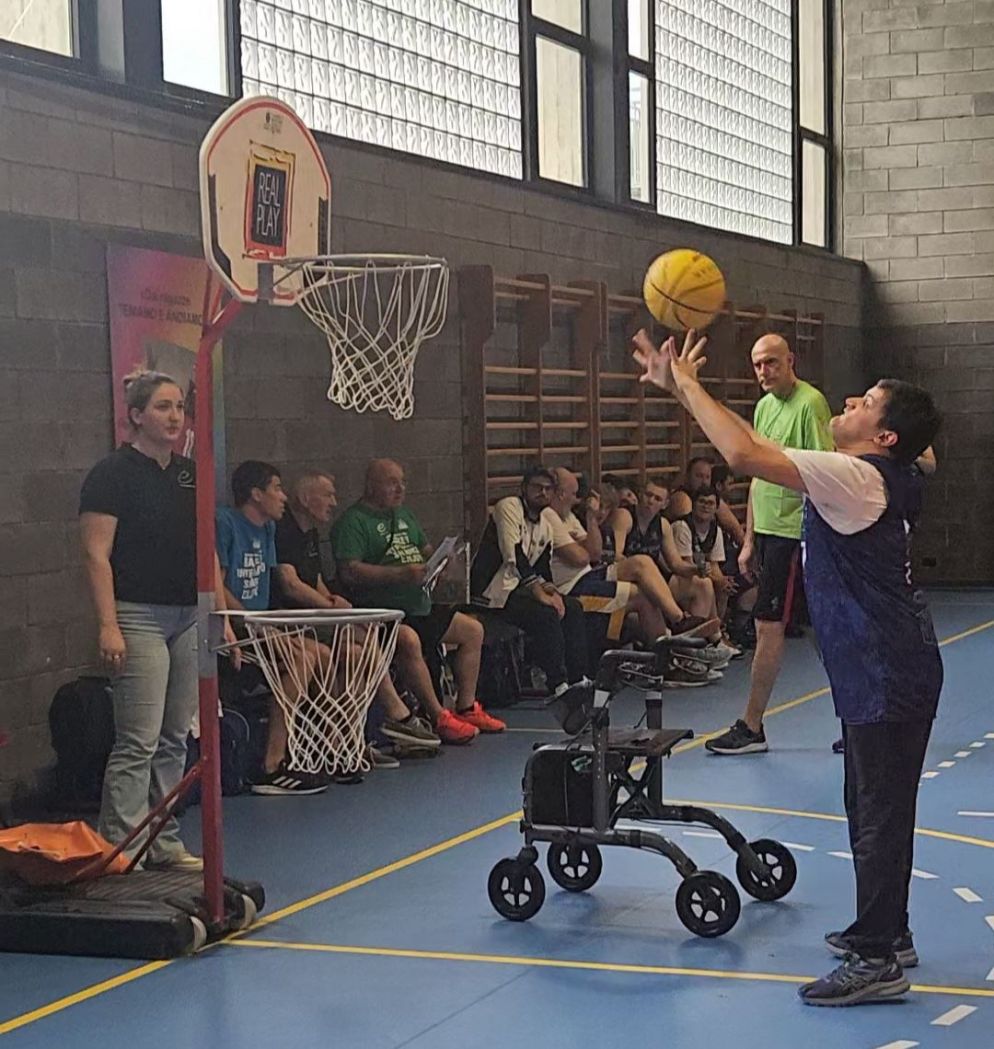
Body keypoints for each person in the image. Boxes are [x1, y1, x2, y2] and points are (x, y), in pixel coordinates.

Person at [634, 327, 942, 1007]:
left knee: (879, 813)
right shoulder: (870, 470)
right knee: (869, 804)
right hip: (884, 662)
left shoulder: (856, 476)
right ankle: (890, 932)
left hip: (887, 667)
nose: (853, 399)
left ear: (884, 437)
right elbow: (759, 441)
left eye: (868, 402)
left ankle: (877, 957)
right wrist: (689, 393)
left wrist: (683, 381)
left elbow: (741, 452)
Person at [80, 371, 237, 869]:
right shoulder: (111, 475)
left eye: (179, 408)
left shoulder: (190, 474)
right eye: (164, 407)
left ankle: (162, 838)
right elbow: (96, 554)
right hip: (139, 617)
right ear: (135, 416)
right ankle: (121, 844)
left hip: (190, 615)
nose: (175, 417)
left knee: (174, 738)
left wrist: (220, 615)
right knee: (139, 738)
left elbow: (204, 546)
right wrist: (109, 625)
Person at [705, 334, 834, 755]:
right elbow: (760, 474)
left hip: (796, 533)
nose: (763, 371)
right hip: (770, 534)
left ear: (790, 361)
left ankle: (751, 725)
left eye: (772, 363)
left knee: (770, 625)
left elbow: (821, 470)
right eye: (758, 364)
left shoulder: (810, 403)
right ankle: (863, 715)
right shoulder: (763, 407)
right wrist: (747, 540)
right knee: (820, 630)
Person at [273, 471, 441, 762]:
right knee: (358, 638)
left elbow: (313, 580)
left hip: (313, 617)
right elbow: (291, 584)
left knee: (355, 655)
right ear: (304, 498)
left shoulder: (309, 532)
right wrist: (330, 608)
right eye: (327, 495)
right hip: (289, 619)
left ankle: (349, 743)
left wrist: (330, 598)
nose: (334, 502)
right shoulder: (283, 530)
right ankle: (395, 712)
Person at [333, 459, 502, 743]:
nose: (399, 489)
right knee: (409, 639)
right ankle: (437, 715)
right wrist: (400, 574)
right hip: (384, 612)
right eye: (391, 483)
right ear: (371, 486)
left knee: (472, 630)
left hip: (419, 603)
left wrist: (444, 563)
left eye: (403, 482)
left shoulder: (405, 516)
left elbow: (425, 550)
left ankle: (466, 705)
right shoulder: (354, 522)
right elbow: (350, 571)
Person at [217, 460, 331, 794]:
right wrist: (251, 623)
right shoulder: (225, 522)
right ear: (255, 494)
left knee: (321, 654)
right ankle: (272, 764)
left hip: (261, 626)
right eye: (277, 488)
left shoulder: (267, 529)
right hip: (234, 629)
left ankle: (313, 747)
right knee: (301, 660)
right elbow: (217, 587)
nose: (283, 496)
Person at [545, 469, 724, 667]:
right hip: (584, 584)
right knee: (642, 565)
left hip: (602, 576)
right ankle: (680, 635)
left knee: (701, 583)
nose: (650, 501)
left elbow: (676, 564)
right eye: (648, 495)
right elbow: (600, 556)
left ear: (665, 504)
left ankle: (688, 649)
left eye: (657, 498)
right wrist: (641, 571)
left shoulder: (569, 517)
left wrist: (696, 570)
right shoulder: (624, 516)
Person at [470, 465, 590, 696]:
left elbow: (543, 567)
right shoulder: (508, 507)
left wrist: (553, 593)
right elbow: (513, 554)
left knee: (572, 607)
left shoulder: (545, 524)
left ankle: (578, 679)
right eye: (537, 487)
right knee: (545, 614)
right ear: (524, 488)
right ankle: (558, 684)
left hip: (519, 589)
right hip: (492, 591)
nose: (542, 493)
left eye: (548, 489)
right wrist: (539, 592)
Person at [671, 486, 736, 623]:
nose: (706, 506)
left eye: (710, 503)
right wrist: (714, 578)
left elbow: (714, 564)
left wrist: (722, 581)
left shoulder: (716, 530)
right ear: (693, 505)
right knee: (705, 583)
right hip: (675, 578)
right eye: (702, 502)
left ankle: (718, 627)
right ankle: (707, 630)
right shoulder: (682, 526)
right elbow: (685, 565)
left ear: (716, 508)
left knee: (723, 586)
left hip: (699, 572)